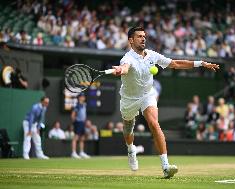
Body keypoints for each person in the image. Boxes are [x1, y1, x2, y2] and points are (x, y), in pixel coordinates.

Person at [111, 26, 219, 178]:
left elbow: (175, 64)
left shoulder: (152, 55)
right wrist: (120, 70)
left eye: (144, 36)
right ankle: (131, 149)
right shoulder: (127, 59)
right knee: (128, 131)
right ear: (131, 40)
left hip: (147, 95)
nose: (143, 39)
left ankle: (166, 166)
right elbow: (125, 68)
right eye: (139, 36)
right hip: (129, 99)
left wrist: (200, 63)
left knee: (154, 123)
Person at [70, 93, 90, 159]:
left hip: (82, 123)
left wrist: (85, 122)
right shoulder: (77, 105)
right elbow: (73, 115)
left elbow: (84, 115)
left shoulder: (84, 105)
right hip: (78, 123)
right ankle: (73, 152)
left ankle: (81, 152)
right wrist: (74, 123)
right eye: (82, 96)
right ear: (79, 98)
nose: (83, 98)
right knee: (76, 137)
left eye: (84, 96)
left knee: (82, 138)